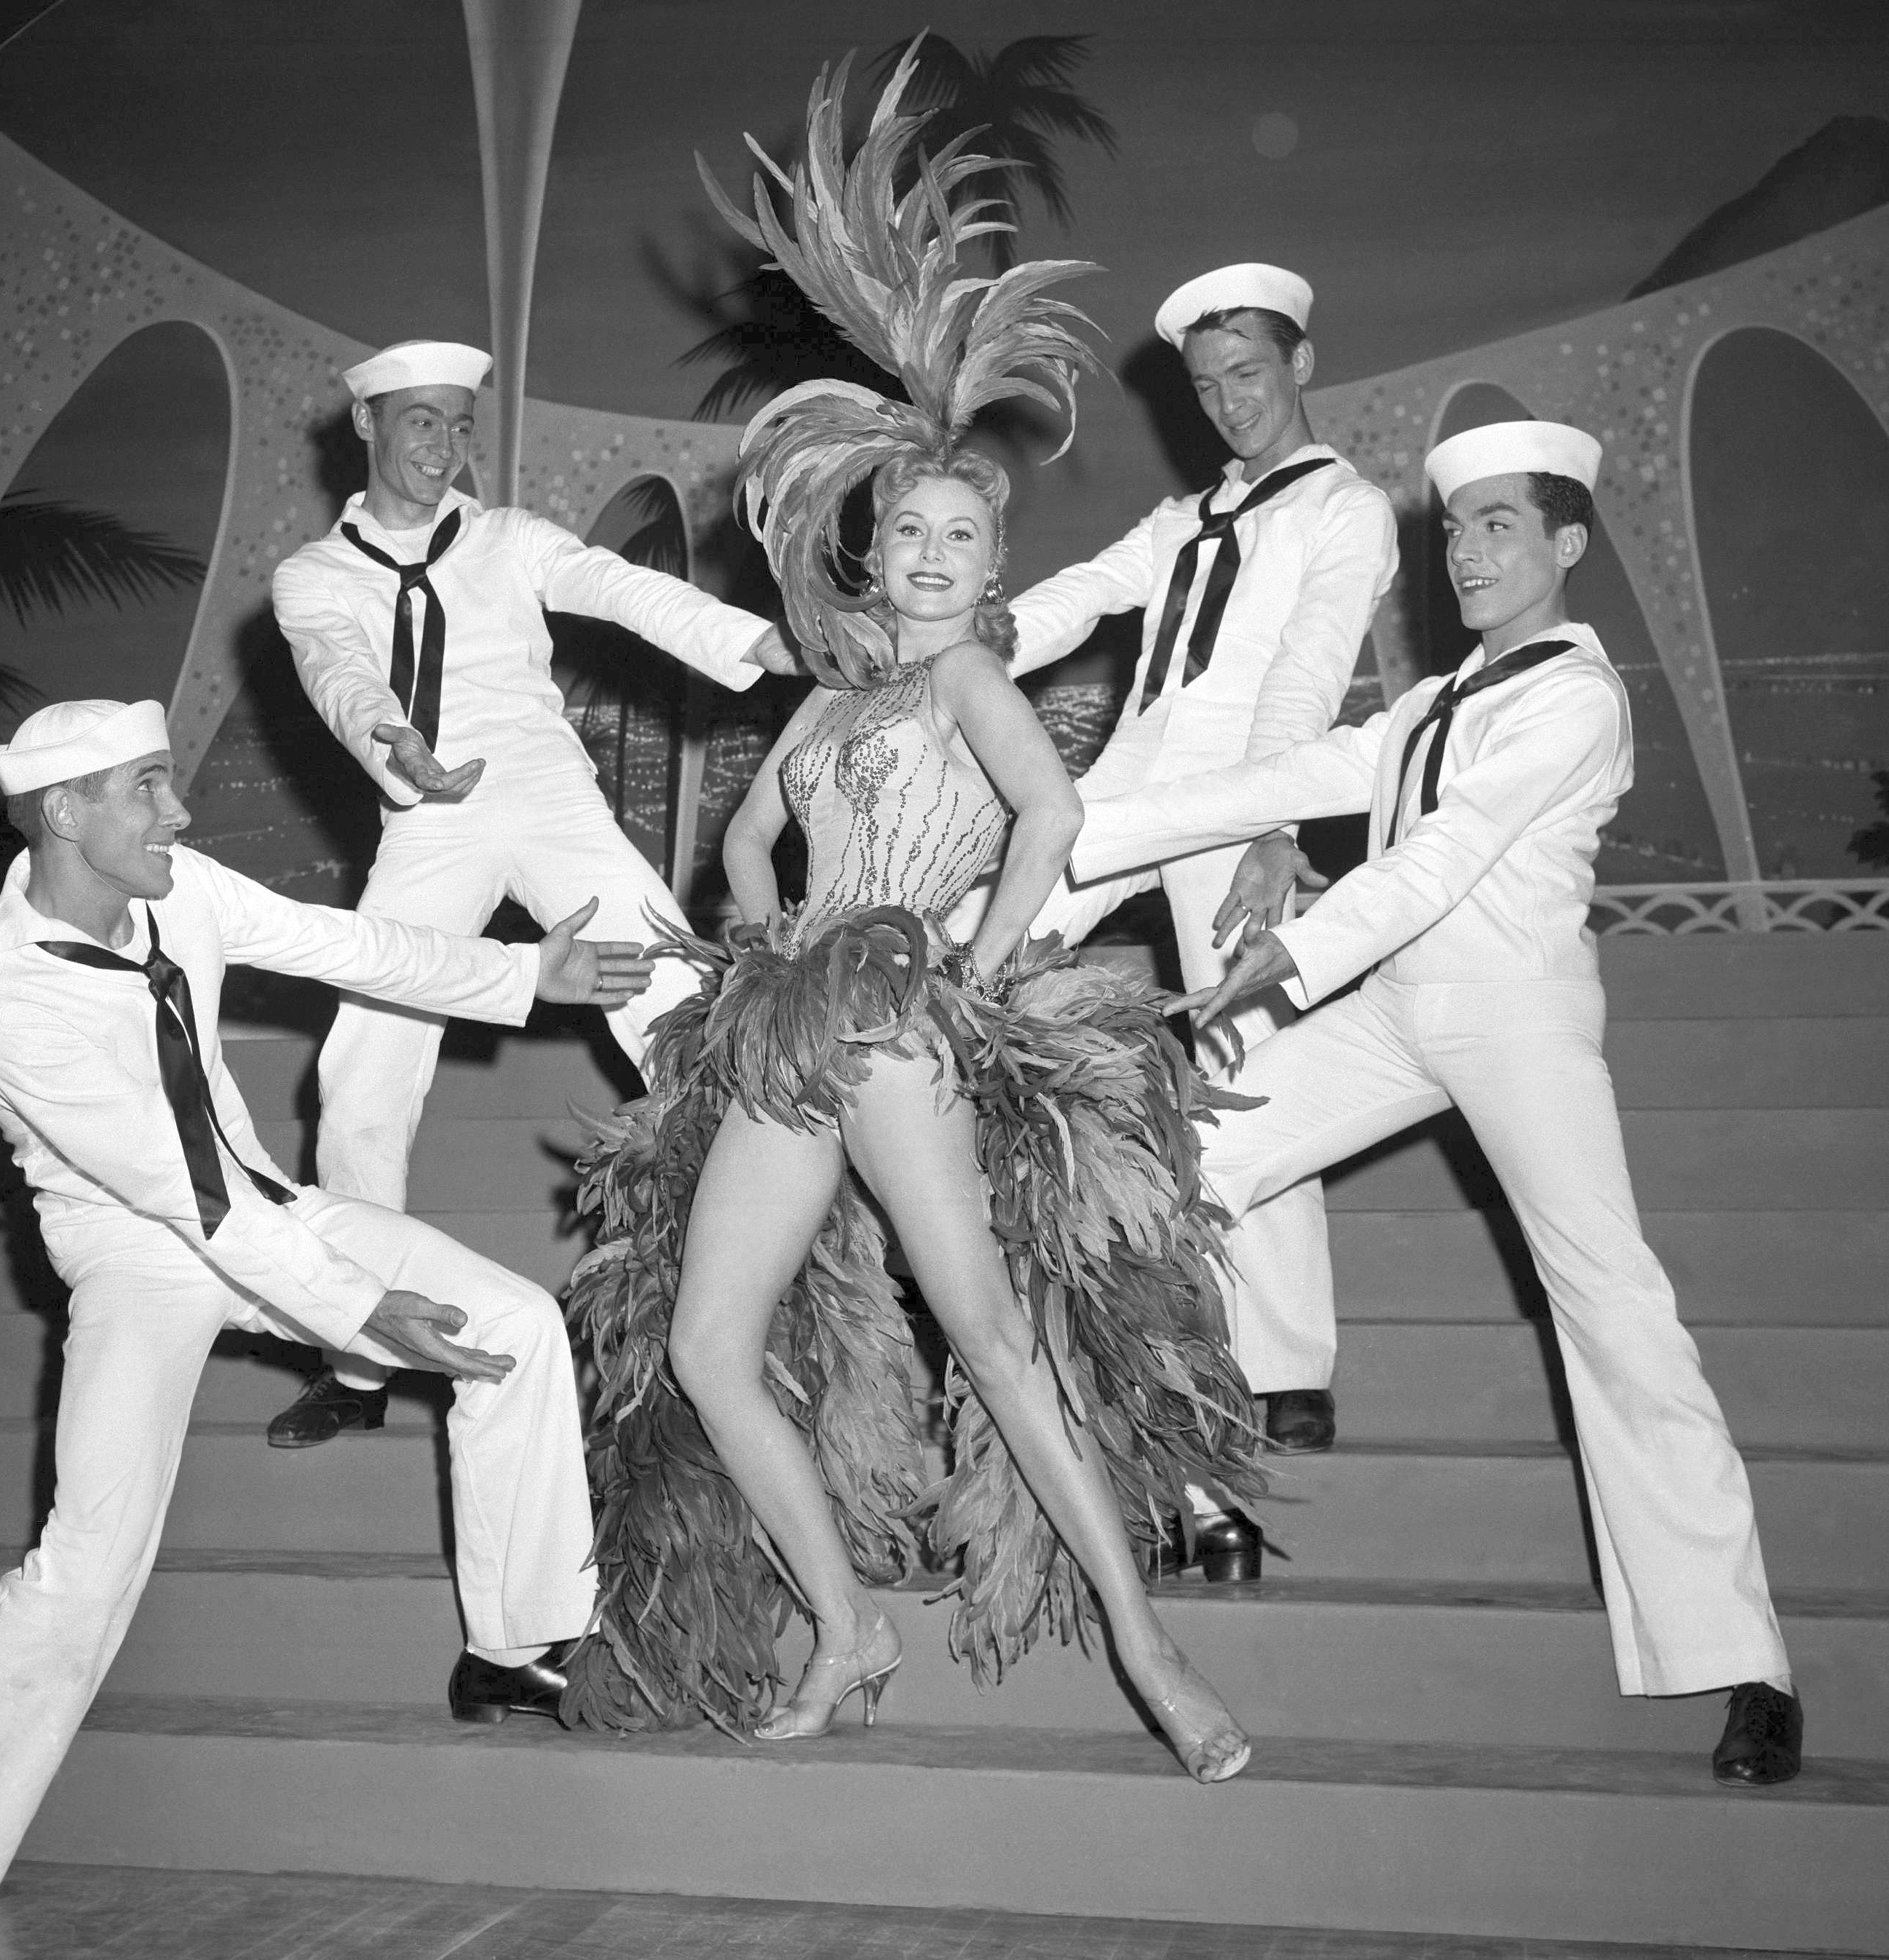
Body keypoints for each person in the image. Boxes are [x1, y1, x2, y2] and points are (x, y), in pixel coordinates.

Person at [559, 51, 1262, 1785]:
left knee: (1002, 1344)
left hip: (903, 1030)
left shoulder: (967, 680)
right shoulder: (828, 703)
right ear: (868, 552)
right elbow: (739, 859)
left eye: (965, 534)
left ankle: (1147, 1643)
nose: (937, 556)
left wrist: (977, 958)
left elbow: (1056, 815)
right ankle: (847, 1622)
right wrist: (765, 931)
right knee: (714, 1343)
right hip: (793, 1037)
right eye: (913, 532)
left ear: (987, 565)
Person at [0, 699, 655, 1923]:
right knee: (89, 1555)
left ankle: (515, 1646)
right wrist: (363, 1313)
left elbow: (342, 943)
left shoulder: (175, 888)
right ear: (69, 811)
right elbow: (188, 1201)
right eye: (149, 786)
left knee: (513, 1322)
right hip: (138, 1256)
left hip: (267, 1205)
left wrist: (520, 973)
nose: (178, 810)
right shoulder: (7, 1004)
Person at [1073, 420, 1802, 1786]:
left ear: (1567, 544)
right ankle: (1188, 1489)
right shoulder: (1433, 698)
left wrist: (1283, 960)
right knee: (1170, 1161)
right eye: (1456, 531)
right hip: (1398, 1008)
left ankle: (1745, 1660)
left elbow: (1448, 857)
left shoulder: (1576, 699)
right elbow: (1319, 774)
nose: (1466, 554)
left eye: (1500, 528)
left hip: (1516, 1013)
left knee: (1613, 1303)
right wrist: (1082, 829)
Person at [265, 338, 795, 1448]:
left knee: (677, 1013)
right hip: (428, 817)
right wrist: (396, 744)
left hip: (551, 799)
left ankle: (758, 1302)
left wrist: (765, 641)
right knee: (360, 1071)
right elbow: (336, 668)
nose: (442, 445)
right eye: (419, 421)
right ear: (365, 428)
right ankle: (358, 1359)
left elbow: (626, 590)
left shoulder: (507, 539)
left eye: (459, 425)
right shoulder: (314, 576)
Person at [986, 263, 1398, 1481]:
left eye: (1250, 374)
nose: (1230, 402)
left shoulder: (1347, 510)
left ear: (1301, 366)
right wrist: (979, 628)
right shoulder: (1186, 520)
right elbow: (1086, 595)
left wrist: (1278, 829)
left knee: (1250, 1057)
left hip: (1242, 788)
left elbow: (1310, 670)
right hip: (1124, 777)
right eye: (1210, 385)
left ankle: (1284, 1370)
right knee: (982, 940)